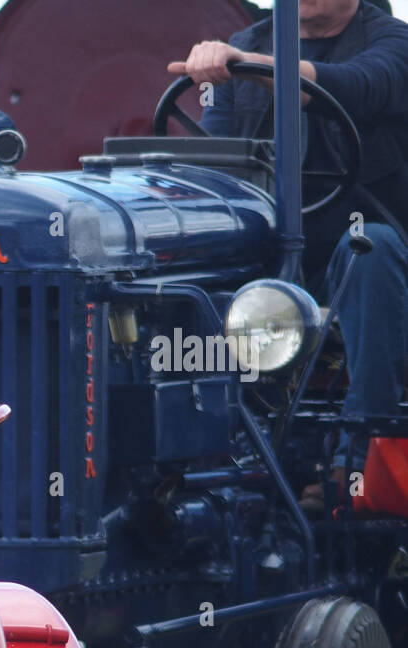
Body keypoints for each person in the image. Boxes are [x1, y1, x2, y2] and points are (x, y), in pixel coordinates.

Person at [169, 0, 408, 501]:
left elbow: (356, 87)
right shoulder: (249, 46)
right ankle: (184, 465)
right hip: (269, 264)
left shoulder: (394, 43)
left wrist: (243, 67)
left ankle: (358, 461)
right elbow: (216, 163)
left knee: (372, 247)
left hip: (364, 263)